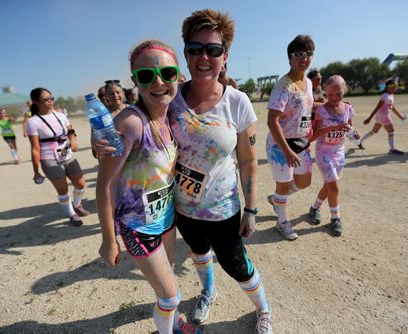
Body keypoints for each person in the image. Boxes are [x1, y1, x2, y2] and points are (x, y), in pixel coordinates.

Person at [170, 9, 272, 333]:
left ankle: (263, 309)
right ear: (185, 52)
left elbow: (248, 160)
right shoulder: (170, 99)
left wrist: (252, 208)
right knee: (198, 252)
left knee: (237, 264)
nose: (204, 57)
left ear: (224, 56)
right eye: (195, 48)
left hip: (223, 210)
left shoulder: (238, 102)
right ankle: (208, 291)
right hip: (183, 207)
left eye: (213, 50)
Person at [96, 40, 200, 334]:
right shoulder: (130, 123)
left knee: (165, 288)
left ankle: (171, 323)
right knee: (170, 295)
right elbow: (104, 185)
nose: (158, 82)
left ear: (178, 76)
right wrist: (109, 238)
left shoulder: (173, 113)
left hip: (167, 219)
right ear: (135, 81)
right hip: (138, 227)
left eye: (167, 73)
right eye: (146, 76)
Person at [266, 34, 316, 241]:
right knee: (283, 185)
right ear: (289, 58)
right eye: (298, 54)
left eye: (308, 54)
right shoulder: (283, 86)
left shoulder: (308, 82)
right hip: (281, 146)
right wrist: (286, 151)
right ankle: (282, 222)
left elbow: (304, 107)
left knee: (304, 182)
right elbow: (272, 121)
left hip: (301, 143)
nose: (303, 58)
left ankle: (278, 199)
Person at [26, 87, 89, 226]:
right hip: (49, 158)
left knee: (80, 183)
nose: (50, 101)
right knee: (63, 189)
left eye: (51, 98)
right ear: (36, 101)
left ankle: (77, 205)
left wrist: (73, 139)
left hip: (67, 155)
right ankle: (71, 214)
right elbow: (35, 148)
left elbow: (70, 129)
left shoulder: (60, 115)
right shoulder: (33, 122)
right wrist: (36, 171)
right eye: (45, 99)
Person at [308, 75, 359, 236]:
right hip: (324, 152)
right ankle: (335, 218)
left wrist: (354, 134)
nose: (334, 98)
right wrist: (332, 127)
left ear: (344, 91)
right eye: (330, 94)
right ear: (326, 93)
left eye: (338, 94)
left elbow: (350, 130)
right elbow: (314, 135)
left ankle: (314, 208)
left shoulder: (348, 109)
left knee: (329, 185)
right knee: (334, 186)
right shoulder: (322, 110)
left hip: (339, 152)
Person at [357, 79, 406, 154]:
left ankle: (359, 142)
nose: (394, 89)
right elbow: (377, 108)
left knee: (374, 131)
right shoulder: (385, 96)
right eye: (393, 87)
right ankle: (392, 149)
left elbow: (392, 107)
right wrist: (369, 118)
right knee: (391, 132)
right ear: (388, 87)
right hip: (384, 117)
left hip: (381, 117)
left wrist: (400, 116)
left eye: (395, 87)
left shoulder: (391, 95)